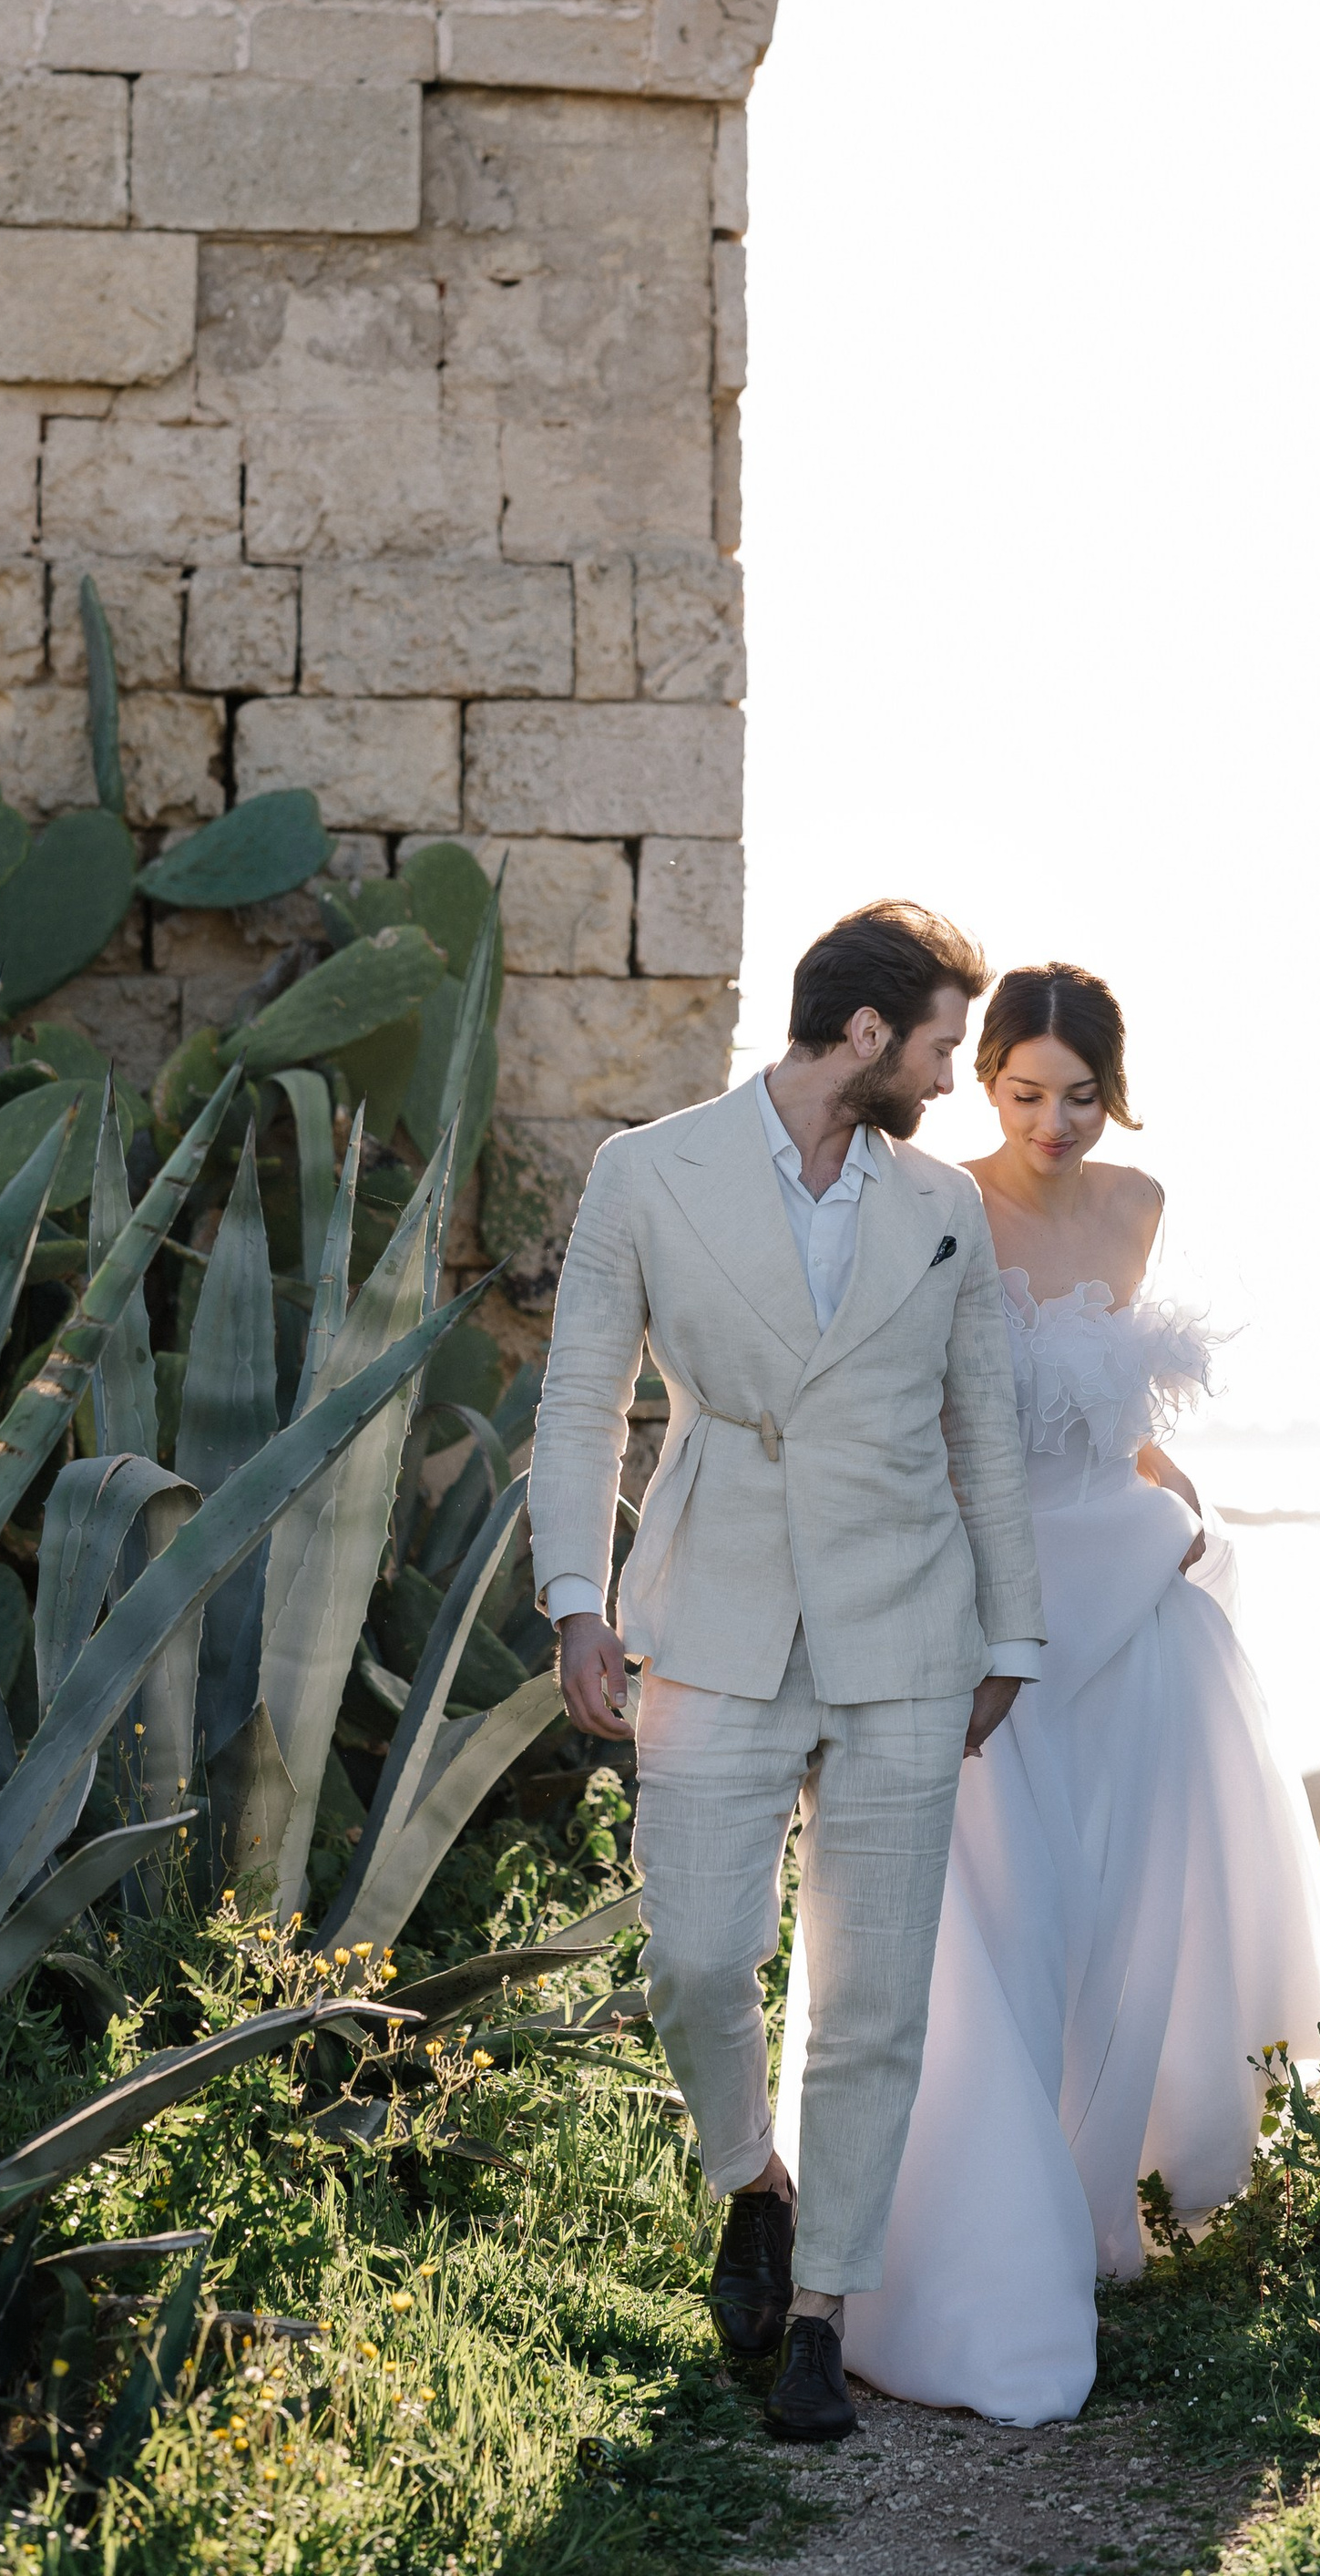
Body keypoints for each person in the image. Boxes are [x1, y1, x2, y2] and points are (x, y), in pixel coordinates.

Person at [777, 961, 1320, 2426]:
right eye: (1025, 1093)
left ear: (1114, 1087)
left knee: (1123, 1905)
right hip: (991, 1612)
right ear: (987, 1088)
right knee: (1002, 1913)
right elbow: (913, 1412)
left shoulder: (1139, 1207)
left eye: (1080, 1096)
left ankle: (1110, 2196)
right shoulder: (934, 1199)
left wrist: (1183, 1494)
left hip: (1133, 1590)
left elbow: (1111, 1419)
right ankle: (967, 2233)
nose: (1054, 1123)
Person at [527, 900, 1046, 2446]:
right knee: (693, 1954)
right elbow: (578, 1401)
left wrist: (1008, 1636)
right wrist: (575, 1600)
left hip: (905, 1629)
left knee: (874, 1996)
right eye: (946, 1044)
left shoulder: (943, 1204)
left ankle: (823, 2313)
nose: (956, 1077)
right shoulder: (647, 1170)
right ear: (870, 1035)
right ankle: (752, 2177)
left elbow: (985, 1440)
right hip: (713, 1618)